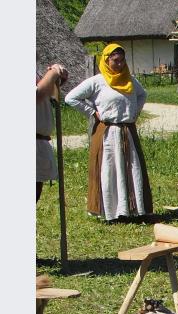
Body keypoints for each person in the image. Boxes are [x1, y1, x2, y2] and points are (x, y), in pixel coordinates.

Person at [65, 44, 153, 221]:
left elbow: (142, 94)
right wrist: (92, 112)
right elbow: (71, 98)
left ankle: (132, 209)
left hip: (127, 132)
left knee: (131, 169)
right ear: (106, 61)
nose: (119, 64)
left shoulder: (130, 80)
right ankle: (112, 212)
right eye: (115, 61)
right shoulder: (97, 82)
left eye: (122, 60)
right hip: (108, 133)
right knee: (109, 170)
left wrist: (135, 112)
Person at [36, 63, 68, 202]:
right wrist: (53, 73)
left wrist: (56, 81)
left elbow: (47, 96)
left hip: (40, 141)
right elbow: (37, 95)